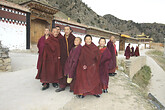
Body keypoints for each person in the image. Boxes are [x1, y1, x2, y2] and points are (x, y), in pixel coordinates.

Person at [56, 25, 75, 92]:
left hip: (71, 58)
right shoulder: (61, 39)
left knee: (71, 71)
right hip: (63, 58)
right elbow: (58, 48)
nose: (66, 31)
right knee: (63, 71)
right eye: (65, 29)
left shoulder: (73, 38)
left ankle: (71, 85)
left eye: (67, 29)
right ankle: (62, 85)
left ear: (70, 30)